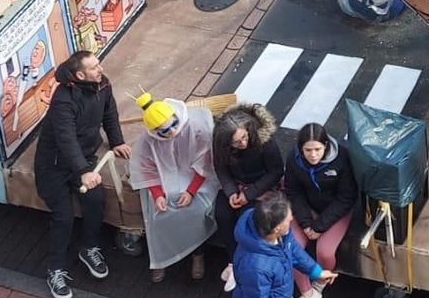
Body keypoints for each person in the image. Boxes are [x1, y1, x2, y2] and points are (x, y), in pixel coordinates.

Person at [34, 51, 128, 298]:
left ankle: (89, 248)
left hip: (82, 160)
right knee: (63, 217)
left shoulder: (103, 84)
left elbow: (110, 113)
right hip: (53, 166)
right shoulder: (63, 100)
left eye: (98, 64)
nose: (101, 69)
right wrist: (84, 171)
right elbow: (66, 139)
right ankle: (55, 270)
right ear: (79, 75)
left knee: (95, 202)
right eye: (94, 67)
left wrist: (116, 140)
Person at [134, 93, 218, 283]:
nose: (172, 131)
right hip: (164, 182)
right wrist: (157, 195)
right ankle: (162, 258)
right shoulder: (148, 141)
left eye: (173, 124)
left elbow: (205, 163)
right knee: (158, 215)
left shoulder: (197, 128)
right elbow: (147, 169)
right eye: (164, 130)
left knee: (196, 210)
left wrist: (190, 191)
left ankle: (198, 254)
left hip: (198, 180)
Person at [284, 123, 357, 276]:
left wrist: (318, 226)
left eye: (317, 149)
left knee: (325, 252)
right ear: (300, 149)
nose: (313, 155)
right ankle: (307, 293)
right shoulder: (293, 160)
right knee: (292, 249)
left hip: (336, 210)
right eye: (308, 150)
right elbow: (293, 191)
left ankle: (320, 282)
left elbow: (346, 197)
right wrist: (305, 223)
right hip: (308, 208)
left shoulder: (341, 158)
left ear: (325, 146)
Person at [213, 104, 285, 247]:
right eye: (236, 142)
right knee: (222, 215)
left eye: (244, 137)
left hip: (262, 187)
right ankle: (232, 259)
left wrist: (249, 194)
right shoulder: (220, 145)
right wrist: (231, 191)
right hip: (236, 184)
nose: (243, 143)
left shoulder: (265, 142)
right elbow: (221, 168)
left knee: (246, 219)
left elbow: (275, 172)